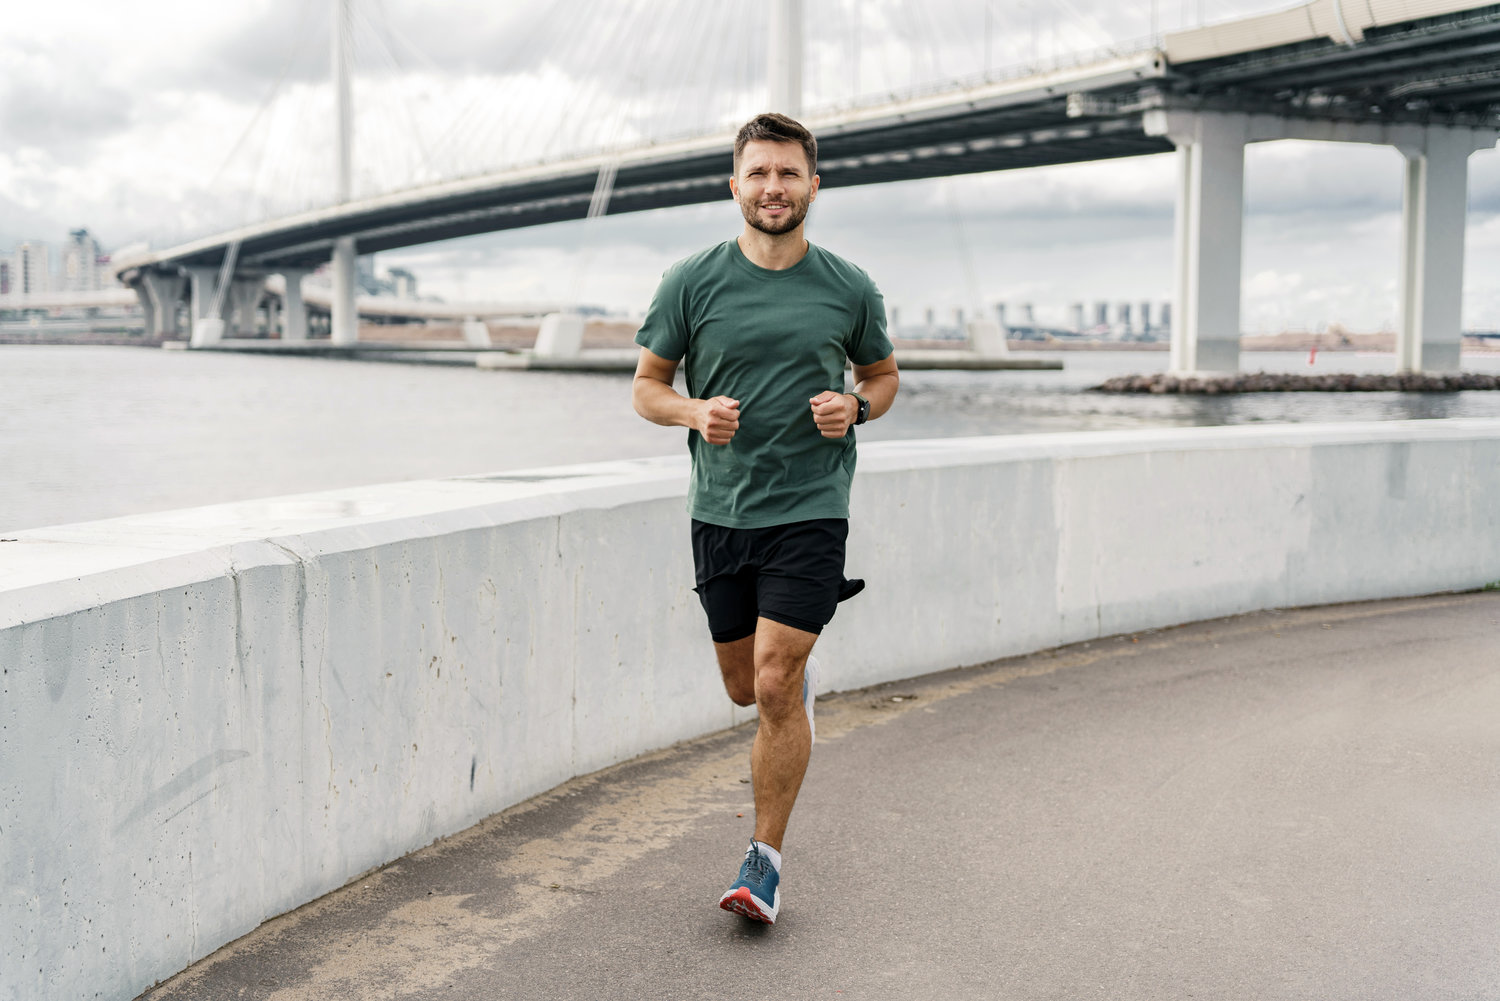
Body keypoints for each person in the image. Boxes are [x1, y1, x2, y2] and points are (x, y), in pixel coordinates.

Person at [631, 112, 900, 924]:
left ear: (814, 185)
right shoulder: (691, 282)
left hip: (811, 508)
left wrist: (853, 408)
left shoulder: (849, 286)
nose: (773, 187)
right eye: (759, 173)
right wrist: (690, 412)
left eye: (788, 173)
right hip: (722, 511)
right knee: (747, 688)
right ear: (735, 185)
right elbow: (647, 387)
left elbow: (883, 378)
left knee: (777, 680)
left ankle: (765, 863)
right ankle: (794, 686)